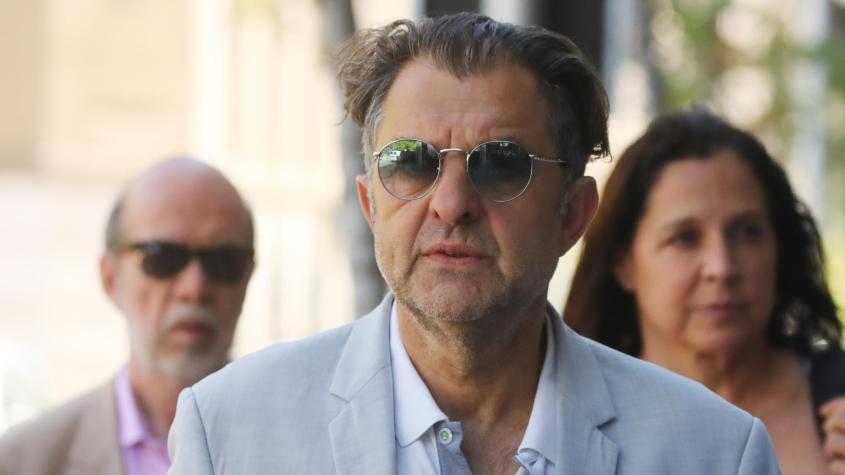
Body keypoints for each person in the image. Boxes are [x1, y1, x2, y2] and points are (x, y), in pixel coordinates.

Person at [167, 14, 780, 474]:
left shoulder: (715, 453)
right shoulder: (228, 432)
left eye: (501, 163)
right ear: (370, 205)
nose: (452, 203)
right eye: (411, 162)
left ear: (572, 214)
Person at [564, 109, 845, 474]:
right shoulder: (561, 424)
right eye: (685, 238)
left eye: (747, 232)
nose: (722, 268)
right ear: (624, 262)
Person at [0, 158, 256, 475]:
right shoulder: (24, 461)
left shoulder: (303, 443)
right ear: (111, 278)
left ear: (248, 275)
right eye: (162, 258)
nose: (194, 287)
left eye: (224, 261)